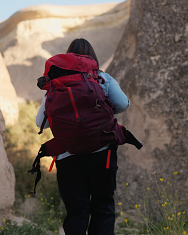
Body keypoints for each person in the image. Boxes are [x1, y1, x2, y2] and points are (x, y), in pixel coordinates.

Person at [35, 38, 130, 235]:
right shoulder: (102, 79)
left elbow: (39, 122)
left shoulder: (56, 84)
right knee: (102, 208)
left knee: (77, 212)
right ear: (92, 57)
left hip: (66, 156)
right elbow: (123, 104)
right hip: (101, 152)